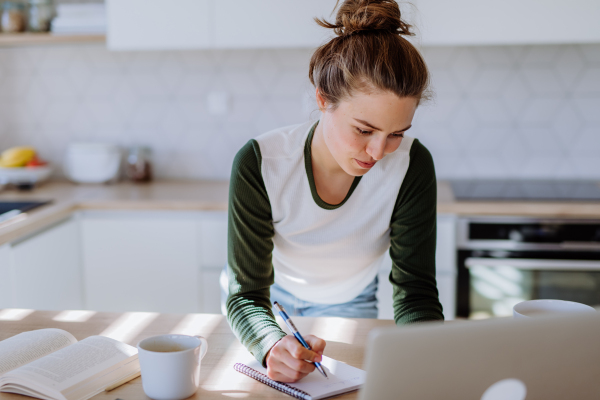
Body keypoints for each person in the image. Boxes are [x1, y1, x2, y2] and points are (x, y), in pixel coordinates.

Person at [223, 0, 444, 383]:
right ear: (323, 100)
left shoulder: (412, 165)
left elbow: (415, 290)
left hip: (355, 299)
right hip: (274, 303)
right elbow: (246, 294)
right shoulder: (261, 163)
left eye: (396, 134)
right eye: (364, 130)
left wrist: (427, 354)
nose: (378, 153)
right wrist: (271, 344)